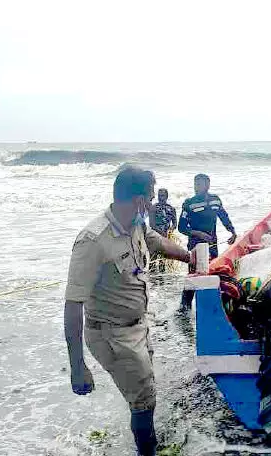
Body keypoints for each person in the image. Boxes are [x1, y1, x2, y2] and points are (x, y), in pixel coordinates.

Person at [63, 167, 194, 456]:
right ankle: (148, 451)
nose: (152, 204)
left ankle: (144, 439)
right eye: (149, 198)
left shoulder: (135, 224)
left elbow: (155, 241)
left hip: (137, 326)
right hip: (111, 334)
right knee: (144, 400)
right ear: (138, 201)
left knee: (144, 391)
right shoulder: (93, 241)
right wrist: (77, 367)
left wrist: (188, 257)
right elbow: (73, 304)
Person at [178, 173, 237, 308]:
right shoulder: (189, 203)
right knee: (194, 275)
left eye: (199, 184)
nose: (196, 187)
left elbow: (224, 216)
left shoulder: (215, 200)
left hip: (212, 244)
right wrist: (198, 233)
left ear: (207, 185)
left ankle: (211, 306)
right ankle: (184, 307)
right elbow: (181, 227)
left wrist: (232, 231)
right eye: (195, 184)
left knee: (212, 273)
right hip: (195, 246)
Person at [148, 189, 178, 273]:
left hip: (166, 237)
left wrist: (171, 230)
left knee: (163, 261)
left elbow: (175, 224)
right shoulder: (153, 208)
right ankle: (152, 282)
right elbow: (152, 225)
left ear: (167, 196)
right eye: (159, 196)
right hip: (154, 237)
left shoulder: (171, 209)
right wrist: (162, 233)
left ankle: (163, 282)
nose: (160, 198)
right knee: (153, 260)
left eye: (162, 196)